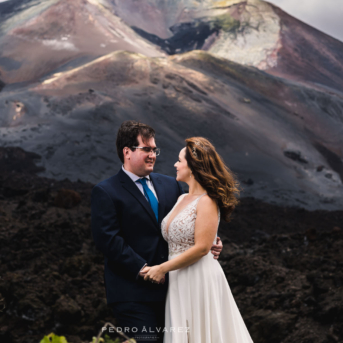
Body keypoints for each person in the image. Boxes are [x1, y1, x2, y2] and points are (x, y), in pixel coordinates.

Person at [91, 121, 223, 342]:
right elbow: (108, 239)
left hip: (176, 289)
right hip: (132, 293)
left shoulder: (171, 185)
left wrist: (210, 242)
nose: (153, 155)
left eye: (155, 149)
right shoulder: (105, 191)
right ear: (127, 152)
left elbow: (186, 222)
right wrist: (144, 269)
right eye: (147, 149)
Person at [143, 137, 254, 343]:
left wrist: (161, 268)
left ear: (193, 167)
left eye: (179, 161)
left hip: (198, 277)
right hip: (178, 279)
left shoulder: (208, 201)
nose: (175, 165)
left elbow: (203, 248)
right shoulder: (180, 198)